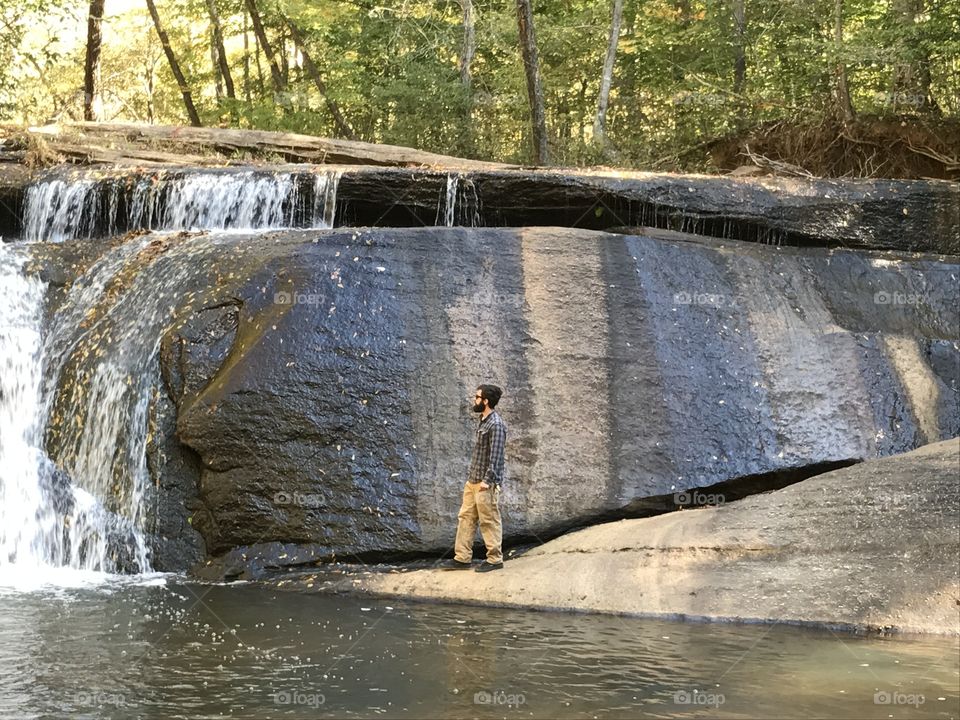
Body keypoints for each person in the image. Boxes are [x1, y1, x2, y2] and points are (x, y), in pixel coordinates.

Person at [442, 384, 507, 573]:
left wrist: (487, 481)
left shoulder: (496, 425)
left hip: (485, 482)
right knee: (466, 517)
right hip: (473, 480)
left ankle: (495, 559)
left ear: (485, 401)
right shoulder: (484, 420)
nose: (474, 400)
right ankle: (462, 558)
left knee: (489, 519)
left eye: (477, 397)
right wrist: (473, 481)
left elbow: (496, 457)